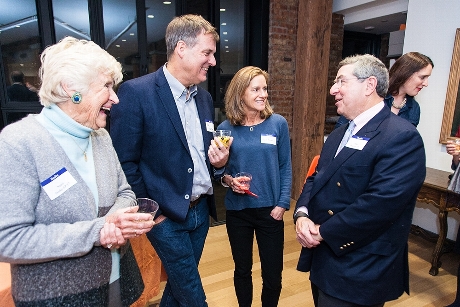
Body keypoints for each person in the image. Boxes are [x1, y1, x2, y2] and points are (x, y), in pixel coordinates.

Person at [0, 37, 155, 307]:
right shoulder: (19, 142)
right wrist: (99, 231)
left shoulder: (100, 137)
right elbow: (9, 239)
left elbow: (126, 193)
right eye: (107, 86)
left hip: (117, 281)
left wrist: (117, 220)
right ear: (70, 88)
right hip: (58, 296)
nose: (115, 98)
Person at [110, 15, 228, 307]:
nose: (212, 62)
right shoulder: (136, 93)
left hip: (200, 212)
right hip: (166, 217)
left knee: (177, 289)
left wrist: (219, 164)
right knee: (192, 293)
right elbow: (124, 163)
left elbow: (200, 154)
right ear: (181, 49)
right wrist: (153, 214)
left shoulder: (203, 98)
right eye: (207, 53)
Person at [294, 54, 426, 307]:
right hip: (325, 258)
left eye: (341, 81)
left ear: (369, 85)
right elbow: (316, 178)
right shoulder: (340, 133)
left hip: (360, 266)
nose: (334, 89)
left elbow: (381, 204)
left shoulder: (402, 136)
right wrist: (302, 215)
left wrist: (322, 232)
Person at [214, 66, 292, 307]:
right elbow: (219, 171)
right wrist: (228, 180)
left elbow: (285, 166)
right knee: (242, 270)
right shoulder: (225, 129)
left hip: (270, 211)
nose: (263, 94)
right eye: (256, 89)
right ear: (240, 94)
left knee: (272, 274)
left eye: (265, 89)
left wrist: (282, 203)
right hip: (238, 211)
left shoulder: (277, 124)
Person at [334, 51, 433, 129]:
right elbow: (340, 133)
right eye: (422, 77)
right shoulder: (372, 96)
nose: (426, 84)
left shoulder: (414, 108)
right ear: (406, 73)